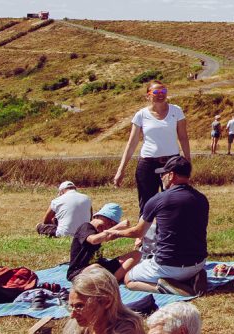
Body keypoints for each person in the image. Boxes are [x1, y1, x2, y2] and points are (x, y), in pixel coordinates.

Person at [101, 156, 207, 293]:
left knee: (129, 279)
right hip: (198, 262)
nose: (161, 178)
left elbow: (138, 232)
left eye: (163, 174)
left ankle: (169, 288)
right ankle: (192, 278)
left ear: (171, 175)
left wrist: (116, 232)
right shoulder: (201, 199)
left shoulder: (158, 199)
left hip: (169, 265)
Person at [112, 82, 191, 211]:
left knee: (173, 204)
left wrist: (188, 161)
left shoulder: (176, 111)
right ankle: (145, 230)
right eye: (156, 92)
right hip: (147, 164)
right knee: (147, 207)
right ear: (148, 96)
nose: (160, 95)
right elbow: (132, 143)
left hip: (172, 163)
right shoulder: (141, 115)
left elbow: (183, 137)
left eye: (163, 92)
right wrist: (121, 169)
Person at [63, 265, 146, 334]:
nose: (72, 315)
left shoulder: (126, 330)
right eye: (71, 306)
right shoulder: (80, 325)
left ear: (106, 301)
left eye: (80, 306)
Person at [66, 203, 126, 282]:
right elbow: (93, 240)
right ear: (98, 216)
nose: (108, 226)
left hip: (99, 268)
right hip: (79, 272)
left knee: (136, 255)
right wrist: (115, 228)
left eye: (112, 225)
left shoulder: (100, 232)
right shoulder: (85, 227)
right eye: (108, 221)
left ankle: (114, 280)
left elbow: (112, 236)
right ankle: (110, 282)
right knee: (96, 267)